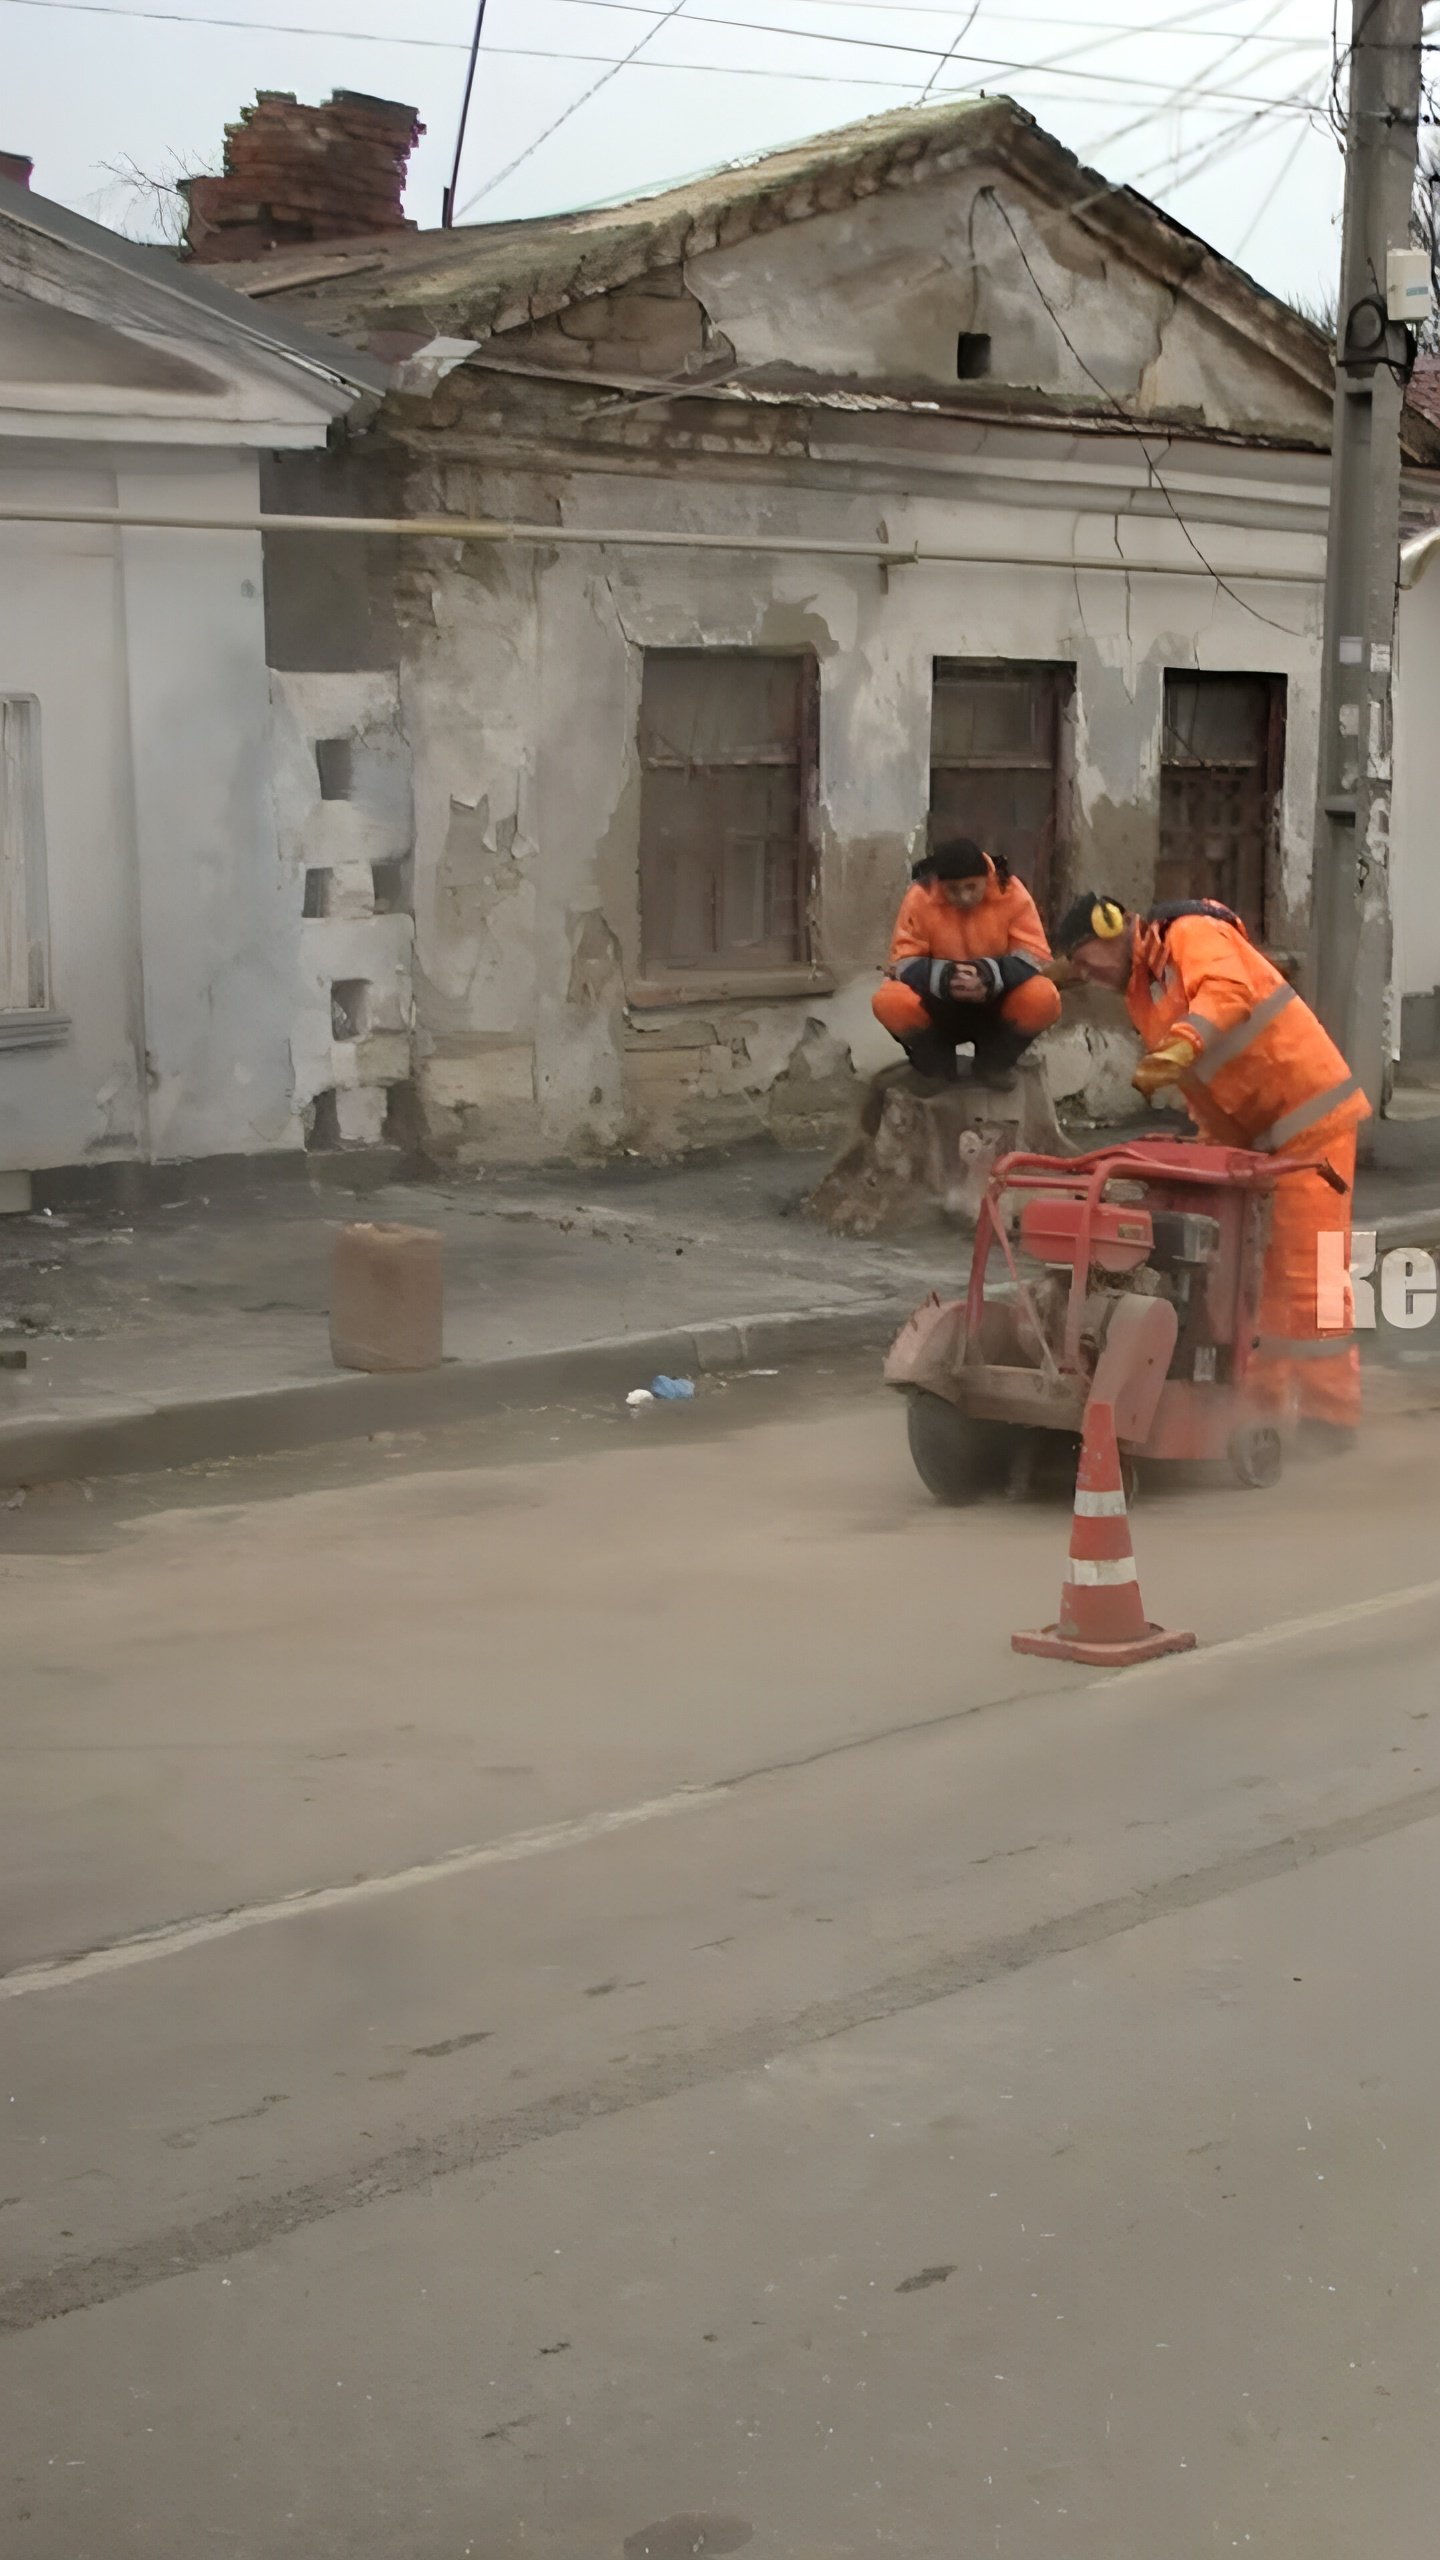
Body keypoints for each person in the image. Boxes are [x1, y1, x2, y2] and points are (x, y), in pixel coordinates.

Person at [1052, 891, 1369, 1448]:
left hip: (1311, 1125)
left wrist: (1185, 1043)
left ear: (1113, 927)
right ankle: (1255, 1411)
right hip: (1255, 1138)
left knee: (1310, 1273)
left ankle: (1329, 1419)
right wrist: (1205, 1150)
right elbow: (1204, 1081)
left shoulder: (1191, 934)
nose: (1084, 974)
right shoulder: (1142, 989)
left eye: (1084, 958)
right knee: (1246, 1276)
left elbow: (1227, 995)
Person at [871, 837, 1063, 1093]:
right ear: (939, 884)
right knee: (888, 1000)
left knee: (1044, 997)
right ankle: (936, 1069)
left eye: (971, 886)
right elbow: (903, 961)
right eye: (953, 889)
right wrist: (946, 978)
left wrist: (988, 976)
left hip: (997, 1002)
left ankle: (994, 1065)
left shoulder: (1012, 891)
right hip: (939, 1003)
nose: (963, 896)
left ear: (987, 878)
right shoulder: (920, 896)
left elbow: (1035, 955)